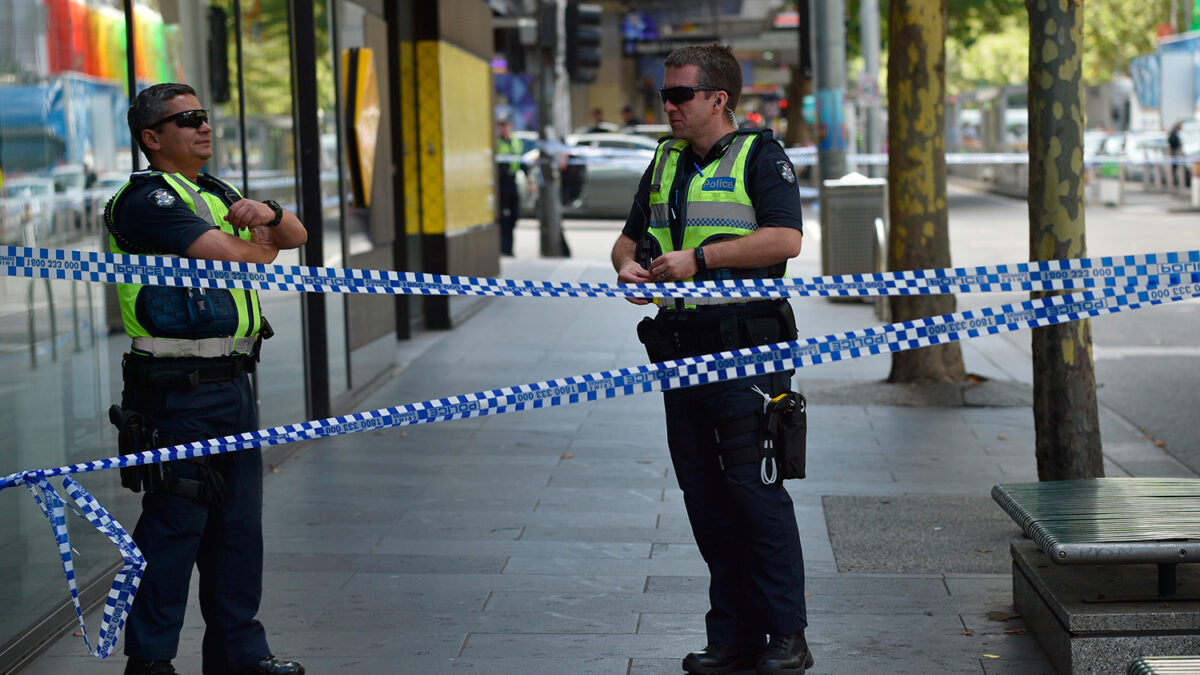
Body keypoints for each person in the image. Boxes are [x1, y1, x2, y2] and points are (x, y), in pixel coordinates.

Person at [610, 44, 811, 675]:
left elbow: (787, 239)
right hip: (680, 352)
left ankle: (787, 636)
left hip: (747, 351)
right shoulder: (666, 160)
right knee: (706, 498)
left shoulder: (760, 154)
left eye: (679, 95)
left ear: (718, 99)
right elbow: (628, 237)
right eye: (663, 95)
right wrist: (627, 267)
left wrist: (701, 260)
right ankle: (733, 636)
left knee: (755, 494)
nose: (667, 106)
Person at [106, 83, 307, 675]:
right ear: (152, 138)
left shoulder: (215, 191)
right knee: (174, 527)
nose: (203, 127)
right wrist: (259, 242)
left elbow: (293, 237)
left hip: (233, 382)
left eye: (204, 117)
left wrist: (269, 216)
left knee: (239, 528)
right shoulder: (147, 200)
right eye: (187, 119)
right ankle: (149, 663)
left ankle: (239, 655)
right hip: (173, 389)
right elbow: (233, 254)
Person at [495, 116, 524, 256]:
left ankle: (509, 248)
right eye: (501, 125)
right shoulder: (496, 143)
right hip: (501, 183)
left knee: (514, 217)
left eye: (506, 125)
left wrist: (530, 180)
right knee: (504, 218)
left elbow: (522, 163)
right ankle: (505, 249)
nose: (504, 128)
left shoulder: (516, 142)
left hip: (513, 182)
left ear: (510, 126)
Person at [1168, 122, 1189, 188]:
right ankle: (1176, 183)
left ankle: (1177, 183)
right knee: (1176, 169)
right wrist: (1178, 144)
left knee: (1176, 169)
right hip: (1175, 153)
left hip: (1176, 153)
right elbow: (1172, 142)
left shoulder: (1174, 133)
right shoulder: (1174, 134)